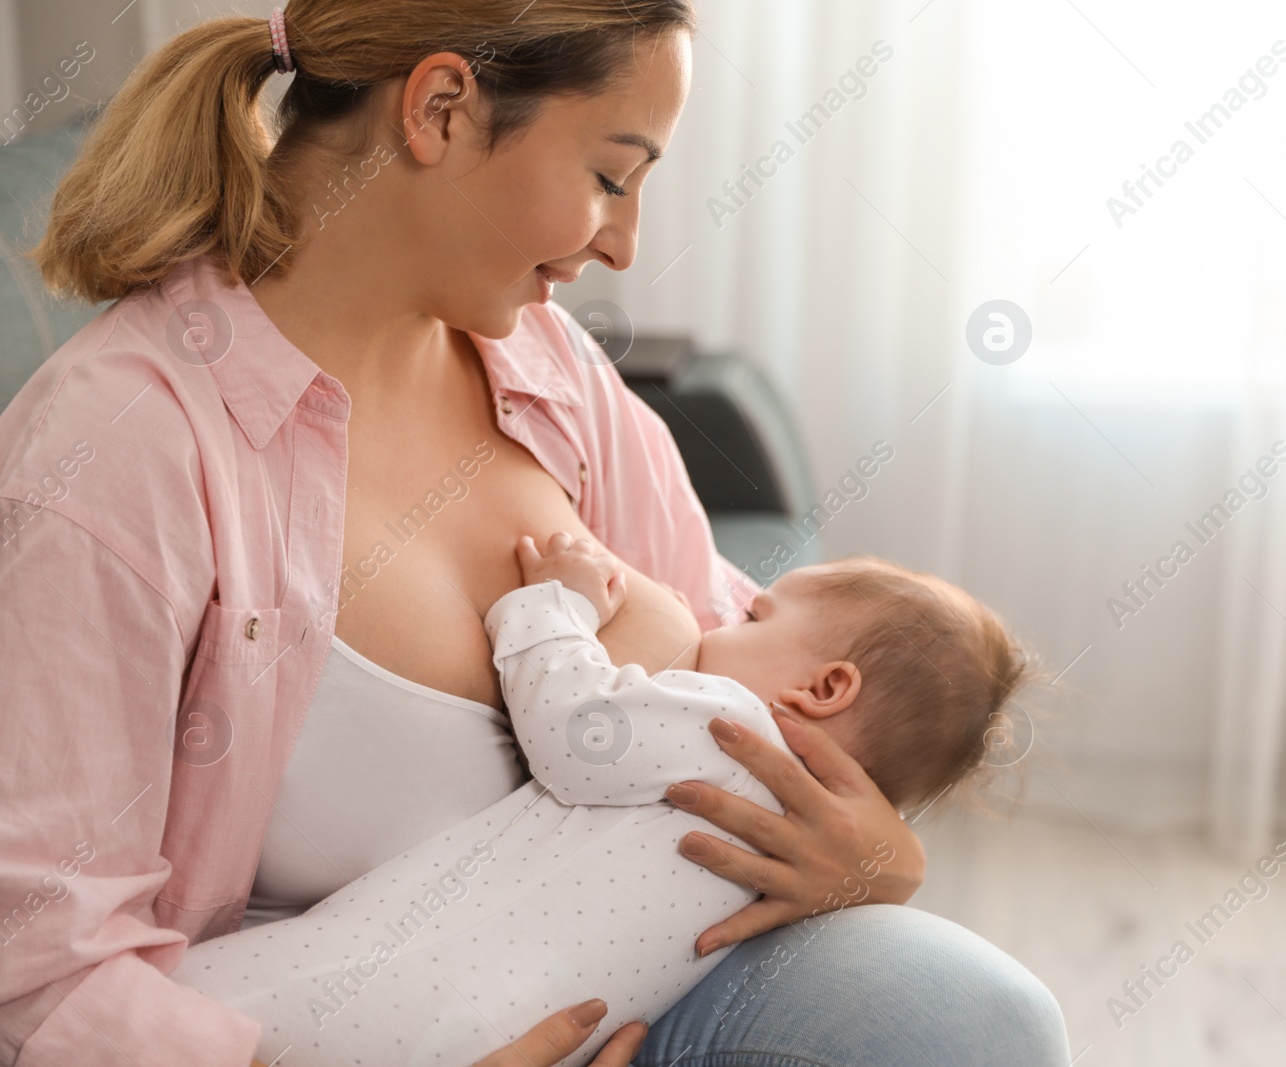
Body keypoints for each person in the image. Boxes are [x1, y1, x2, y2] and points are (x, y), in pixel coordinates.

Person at [0, 3, 1070, 1065]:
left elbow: (736, 660)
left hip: (635, 988)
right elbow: (39, 971)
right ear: (442, 108)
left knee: (973, 1016)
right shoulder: (118, 452)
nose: (624, 241)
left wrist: (870, 853)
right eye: (611, 175)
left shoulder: (547, 369)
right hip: (326, 1033)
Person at [170, 539, 1031, 1066]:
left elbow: (576, 726)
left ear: (823, 687)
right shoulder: (783, 854)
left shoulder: (732, 725)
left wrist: (555, 602)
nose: (719, 613)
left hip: (388, 993)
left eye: (753, 613)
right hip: (511, 1033)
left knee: (179, 1006)